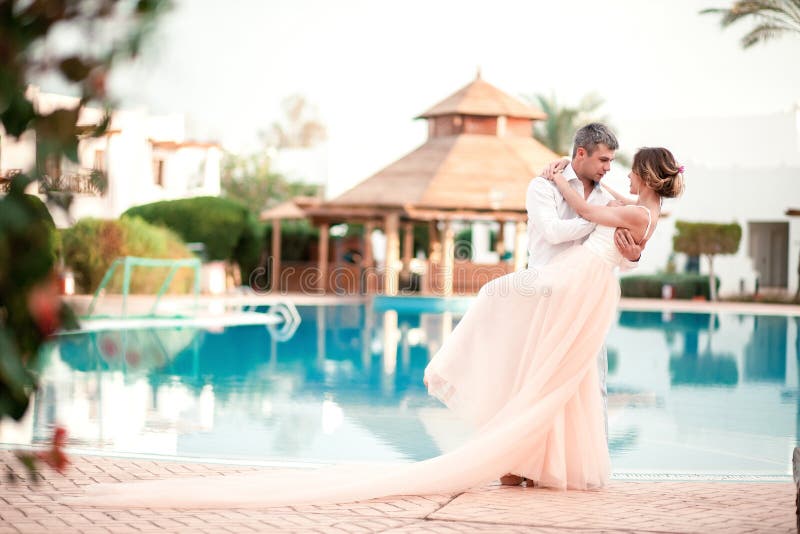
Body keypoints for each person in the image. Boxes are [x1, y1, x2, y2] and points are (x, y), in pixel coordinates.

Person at [65, 147, 683, 508]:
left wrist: (558, 184)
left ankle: (477, 395)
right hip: (592, 286)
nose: (621, 172)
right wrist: (621, 246)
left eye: (629, 168)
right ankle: (540, 457)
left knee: (506, 304)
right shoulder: (647, 214)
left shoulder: (628, 204)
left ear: (646, 178)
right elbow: (627, 248)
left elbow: (584, 212)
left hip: (574, 283)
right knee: (556, 371)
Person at [498, 123, 642, 487]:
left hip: (589, 301)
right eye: (604, 159)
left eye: (611, 160)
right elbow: (552, 232)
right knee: (536, 380)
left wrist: (633, 255)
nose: (609, 167)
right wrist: (596, 220)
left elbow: (621, 255)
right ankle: (519, 462)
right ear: (581, 153)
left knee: (593, 384)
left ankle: (589, 466)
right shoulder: (544, 185)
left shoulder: (607, 197)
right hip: (546, 296)